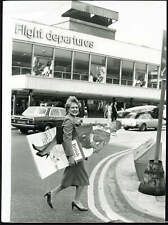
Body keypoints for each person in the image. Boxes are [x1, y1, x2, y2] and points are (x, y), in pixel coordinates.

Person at [44, 96, 89, 211]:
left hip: (77, 152)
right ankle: (76, 201)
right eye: (72, 108)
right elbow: (67, 139)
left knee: (71, 178)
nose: (75, 109)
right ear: (68, 109)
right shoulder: (68, 120)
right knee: (82, 178)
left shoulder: (73, 119)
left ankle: (52, 194)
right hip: (73, 154)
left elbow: (75, 137)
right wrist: (70, 156)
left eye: (76, 107)